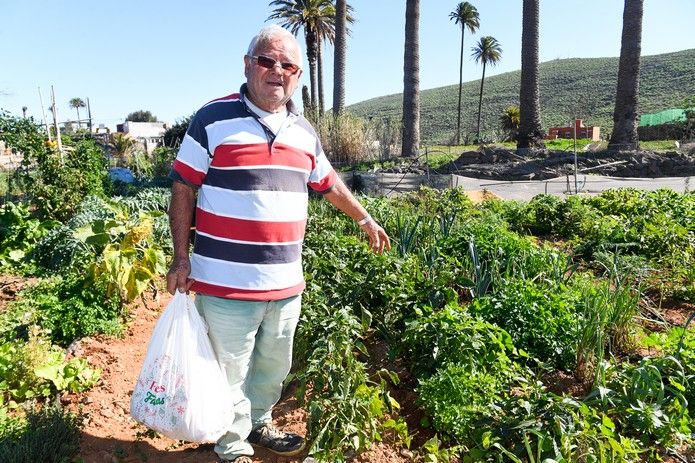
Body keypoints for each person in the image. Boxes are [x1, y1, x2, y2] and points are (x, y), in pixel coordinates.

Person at [166, 24, 391, 463]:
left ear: (298, 75)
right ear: (249, 64)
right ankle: (232, 445)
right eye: (268, 60)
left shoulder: (304, 131)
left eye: (288, 65)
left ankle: (259, 422)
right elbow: (183, 186)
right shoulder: (213, 118)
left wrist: (364, 218)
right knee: (229, 369)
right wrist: (180, 257)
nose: (277, 71)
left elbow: (327, 183)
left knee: (273, 368)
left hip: (286, 283)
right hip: (225, 281)